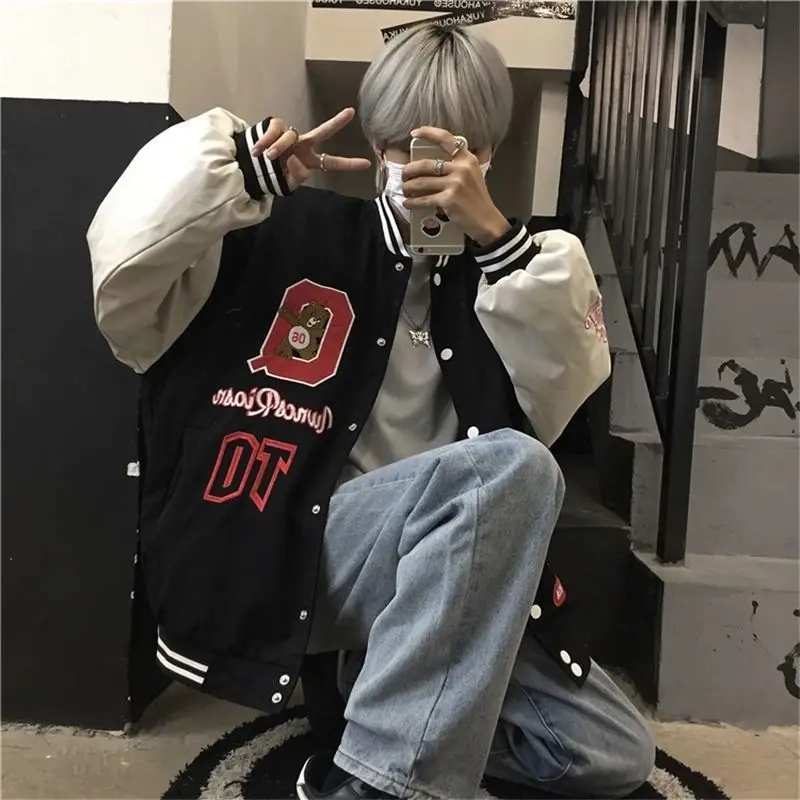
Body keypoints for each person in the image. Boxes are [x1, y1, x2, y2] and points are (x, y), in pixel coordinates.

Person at [88, 22, 654, 800]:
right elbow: (124, 300)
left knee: (611, 754)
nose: (421, 171)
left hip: (452, 574)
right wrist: (240, 173)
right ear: (375, 145)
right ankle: (372, 782)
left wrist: (495, 238)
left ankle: (383, 697)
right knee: (514, 468)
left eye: (455, 151)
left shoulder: (519, 270)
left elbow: (562, 392)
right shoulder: (287, 234)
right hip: (303, 546)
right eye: (401, 147)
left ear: (489, 154)